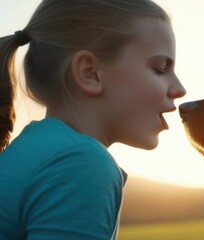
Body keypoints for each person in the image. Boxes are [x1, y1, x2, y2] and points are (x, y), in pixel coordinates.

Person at [0, 0, 186, 239]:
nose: (180, 89)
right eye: (160, 68)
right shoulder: (79, 164)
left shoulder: (33, 152)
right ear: (90, 73)